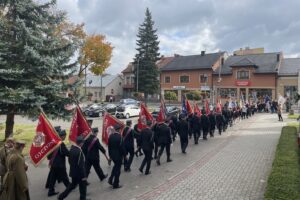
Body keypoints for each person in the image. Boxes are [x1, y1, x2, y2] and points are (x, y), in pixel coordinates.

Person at [58, 135, 89, 200]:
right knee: (82, 186)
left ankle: (61, 196)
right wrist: (84, 176)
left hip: (73, 172)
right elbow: (81, 166)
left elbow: (69, 160)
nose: (83, 144)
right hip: (79, 174)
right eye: (83, 142)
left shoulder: (72, 149)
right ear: (80, 143)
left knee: (72, 185)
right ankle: (83, 199)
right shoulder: (79, 152)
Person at [47, 130, 70, 197]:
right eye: (64, 136)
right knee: (64, 177)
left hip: (53, 164)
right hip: (60, 165)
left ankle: (50, 191)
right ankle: (69, 187)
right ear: (62, 136)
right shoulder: (61, 144)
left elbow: (49, 155)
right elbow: (67, 153)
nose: (65, 137)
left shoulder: (53, 142)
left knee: (53, 178)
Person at [108, 124, 126, 189]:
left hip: (112, 155)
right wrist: (125, 155)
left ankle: (110, 179)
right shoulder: (120, 137)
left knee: (115, 167)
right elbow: (122, 148)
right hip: (118, 156)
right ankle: (116, 184)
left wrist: (110, 156)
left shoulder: (110, 136)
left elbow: (109, 147)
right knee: (118, 170)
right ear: (119, 130)